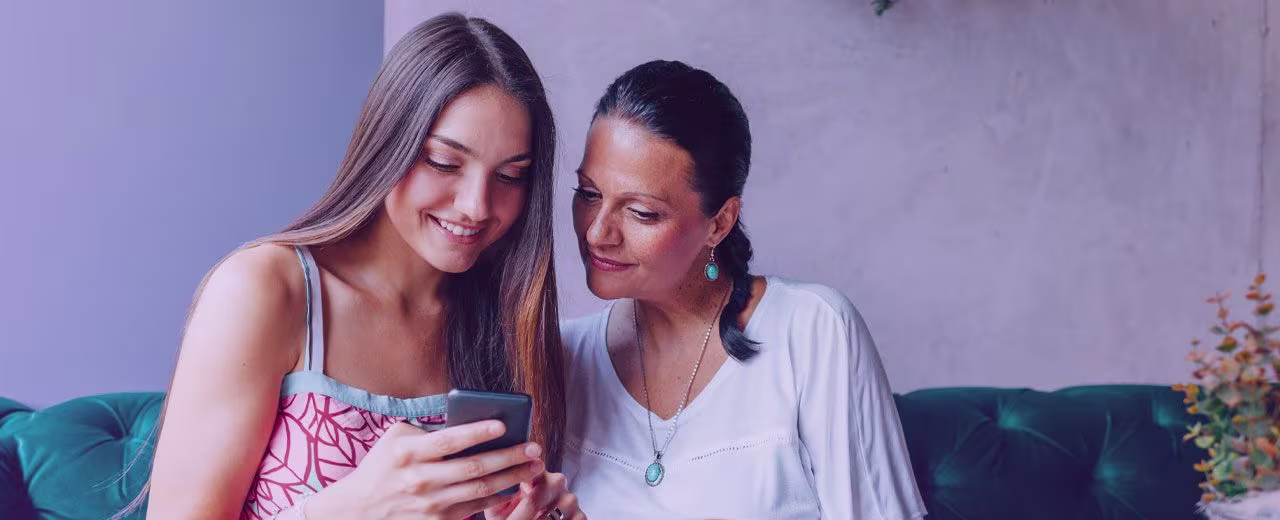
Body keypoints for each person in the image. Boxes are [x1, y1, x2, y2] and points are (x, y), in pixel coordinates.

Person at [132, 13, 584, 520]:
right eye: (444, 162)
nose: (477, 205)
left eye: (510, 175)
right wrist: (355, 508)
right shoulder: (269, 291)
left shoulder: (506, 323)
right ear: (389, 142)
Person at [560, 60, 926, 519]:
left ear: (719, 223)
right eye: (589, 194)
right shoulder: (561, 357)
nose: (597, 233)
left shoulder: (812, 332)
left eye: (642, 213)